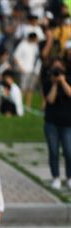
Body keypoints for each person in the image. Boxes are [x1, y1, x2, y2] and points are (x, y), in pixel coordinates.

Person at [41, 57, 71, 190]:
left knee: (69, 151)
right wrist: (54, 83)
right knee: (53, 151)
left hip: (67, 123)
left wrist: (63, 81)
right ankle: (56, 177)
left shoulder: (68, 79)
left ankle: (69, 177)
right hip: (51, 122)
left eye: (60, 69)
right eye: (55, 69)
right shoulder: (48, 82)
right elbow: (50, 100)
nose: (57, 72)